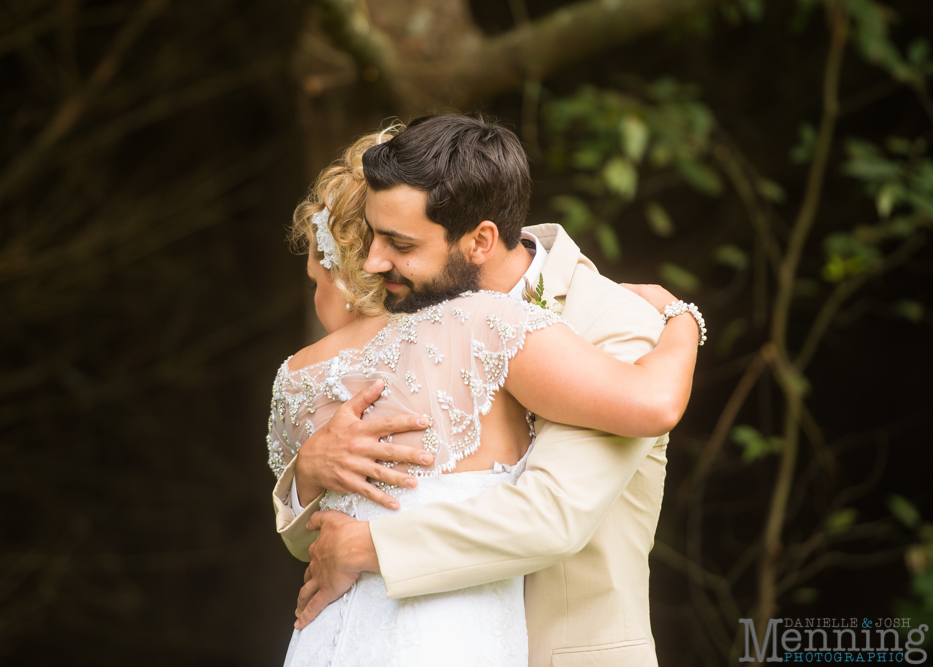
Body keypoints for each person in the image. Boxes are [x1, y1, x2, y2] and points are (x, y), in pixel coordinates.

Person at [269, 116, 705, 666]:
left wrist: (682, 319)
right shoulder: (411, 326)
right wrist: (311, 473)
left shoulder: (613, 322)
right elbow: (334, 537)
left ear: (479, 241)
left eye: (399, 243)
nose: (374, 262)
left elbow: (552, 513)